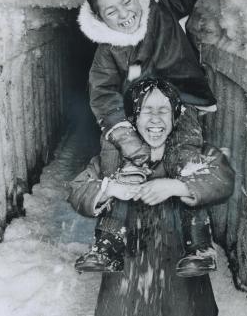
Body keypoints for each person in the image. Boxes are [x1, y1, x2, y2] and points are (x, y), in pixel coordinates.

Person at [77, 0, 217, 275]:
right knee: (115, 158)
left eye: (127, 1)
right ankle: (108, 242)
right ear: (99, 18)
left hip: (180, 101)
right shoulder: (107, 50)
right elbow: (103, 94)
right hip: (135, 116)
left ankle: (199, 245)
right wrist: (126, 138)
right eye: (111, 12)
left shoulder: (163, 6)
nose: (125, 14)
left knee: (185, 157)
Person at [68, 78, 235, 316]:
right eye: (146, 110)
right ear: (133, 119)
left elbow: (222, 177)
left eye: (163, 110)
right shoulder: (115, 159)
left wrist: (177, 186)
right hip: (128, 268)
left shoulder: (193, 154)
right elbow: (77, 188)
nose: (155, 118)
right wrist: (110, 188)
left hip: (180, 269)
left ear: (175, 117)